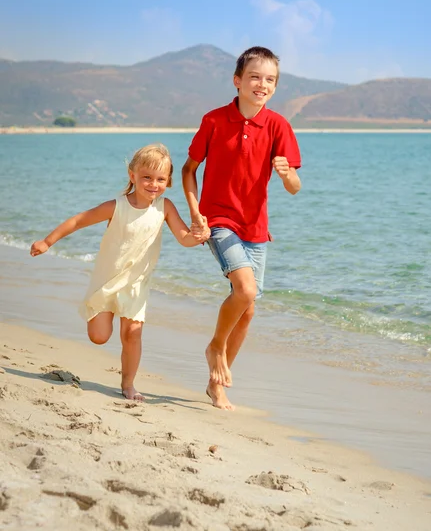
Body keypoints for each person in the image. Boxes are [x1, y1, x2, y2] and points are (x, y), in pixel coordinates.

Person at [30, 143, 209, 401]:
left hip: (136, 284)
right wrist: (47, 241)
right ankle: (103, 320)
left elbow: (184, 238)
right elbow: (79, 220)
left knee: (132, 335)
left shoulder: (165, 207)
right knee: (99, 337)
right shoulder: (116, 206)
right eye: (147, 177)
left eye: (160, 179)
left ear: (168, 181)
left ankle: (128, 385)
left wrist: (201, 234)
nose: (153, 184)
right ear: (132, 175)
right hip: (107, 281)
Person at [182, 46, 302, 410]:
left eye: (269, 79)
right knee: (246, 291)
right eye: (254, 76)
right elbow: (188, 170)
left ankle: (216, 386)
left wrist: (287, 175)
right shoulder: (214, 120)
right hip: (218, 219)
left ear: (275, 87)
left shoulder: (279, 125)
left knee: (247, 308)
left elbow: (295, 186)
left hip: (256, 227)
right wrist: (196, 213)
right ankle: (215, 345)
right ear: (237, 81)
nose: (261, 84)